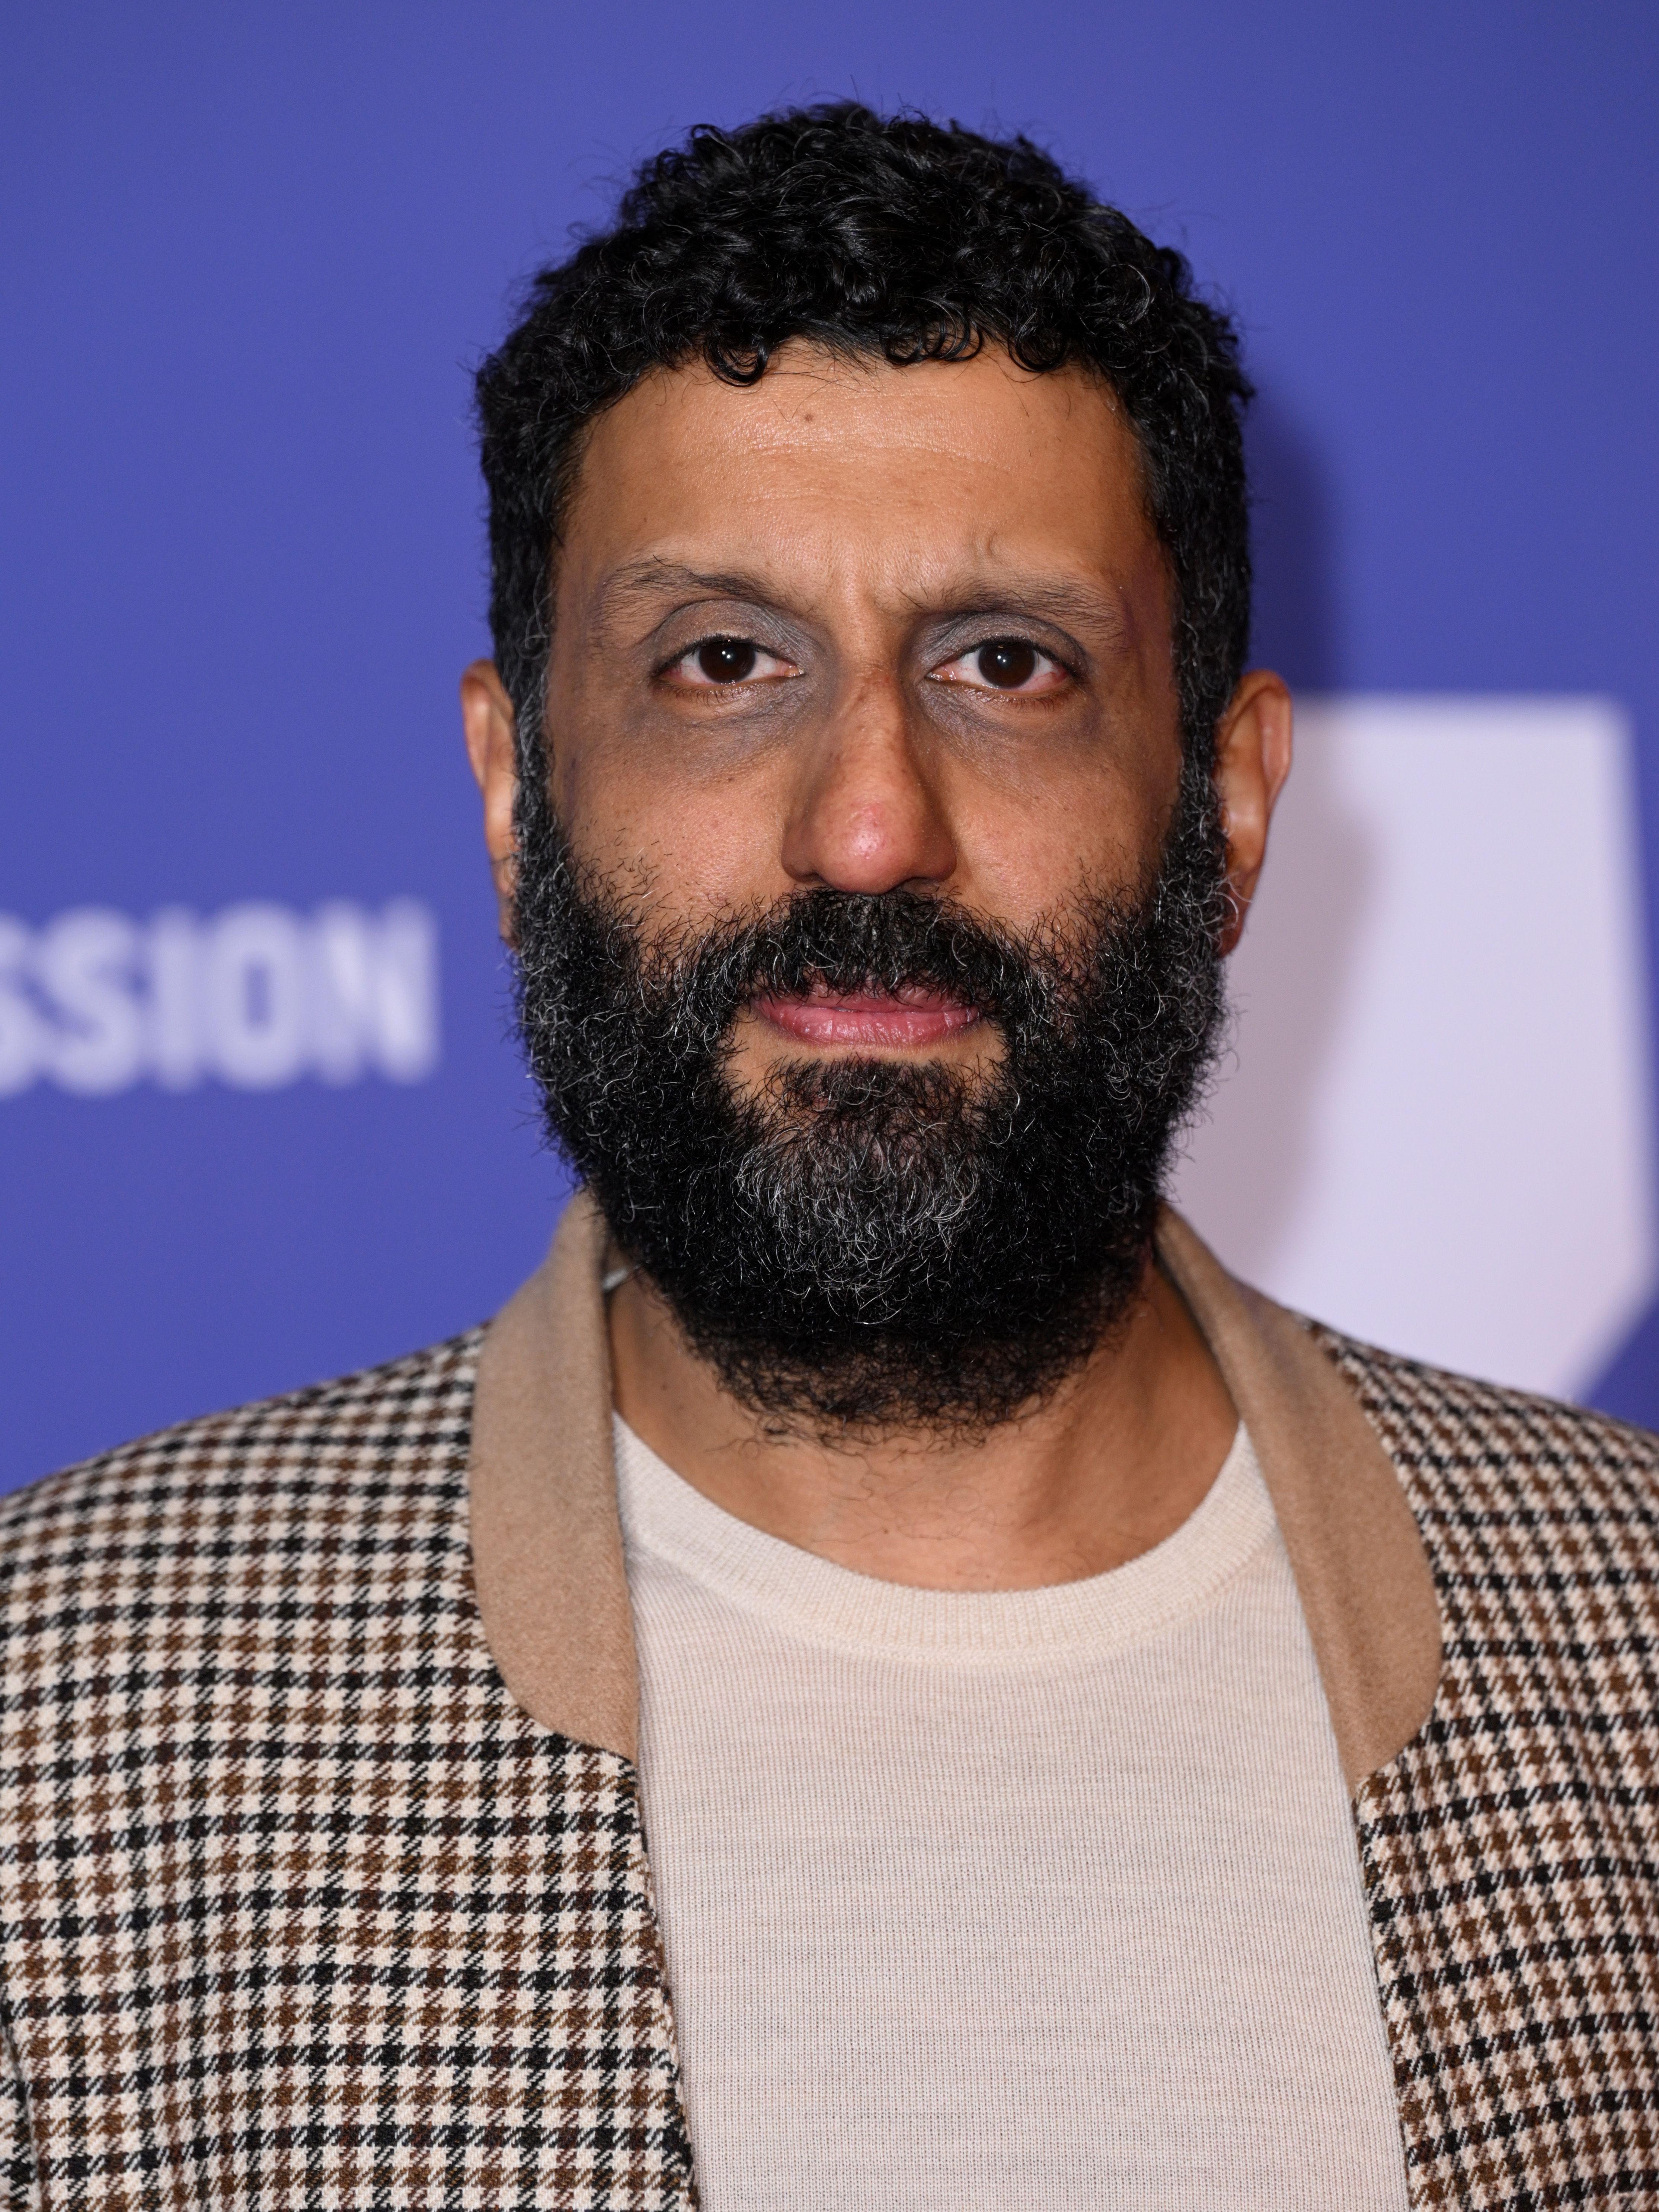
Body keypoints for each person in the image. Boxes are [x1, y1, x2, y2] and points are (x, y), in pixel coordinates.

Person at [0, 103, 1652, 2212]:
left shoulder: (1636, 1642)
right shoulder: (55, 1736)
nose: (869, 823)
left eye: (1007, 666)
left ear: (1228, 807)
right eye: (721, 664)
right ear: (515, 797)